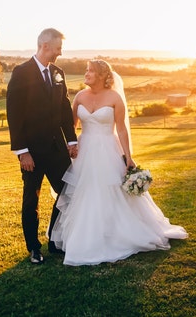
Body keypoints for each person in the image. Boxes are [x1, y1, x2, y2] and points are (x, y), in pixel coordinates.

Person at [50, 59, 188, 266]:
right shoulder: (79, 96)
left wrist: (128, 156)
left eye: (90, 71)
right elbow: (71, 126)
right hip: (84, 150)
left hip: (108, 149)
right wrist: (70, 145)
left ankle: (114, 233)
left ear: (101, 76)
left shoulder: (115, 98)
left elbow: (121, 129)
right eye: (86, 70)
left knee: (111, 191)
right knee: (84, 192)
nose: (86, 74)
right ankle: (84, 235)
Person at [6, 28, 78, 265]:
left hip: (57, 149)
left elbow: (65, 109)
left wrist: (71, 140)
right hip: (32, 153)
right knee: (31, 200)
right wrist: (22, 151)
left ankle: (54, 240)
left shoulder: (58, 73)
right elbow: (14, 114)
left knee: (68, 193)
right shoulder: (21, 72)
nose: (60, 52)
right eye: (58, 48)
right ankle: (34, 248)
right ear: (45, 46)